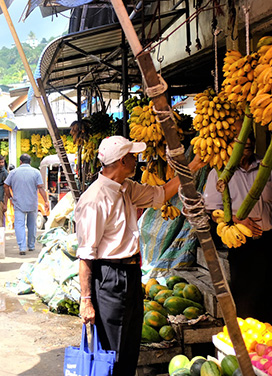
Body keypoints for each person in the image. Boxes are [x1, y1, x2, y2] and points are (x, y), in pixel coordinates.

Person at [75, 136, 204, 376]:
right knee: (114, 350)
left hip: (131, 274)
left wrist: (194, 165)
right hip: (110, 278)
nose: (138, 160)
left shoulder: (126, 187)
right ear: (123, 160)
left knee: (131, 343)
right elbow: (85, 256)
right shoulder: (95, 199)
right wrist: (86, 301)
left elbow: (162, 193)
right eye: (133, 156)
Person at [203, 135, 272, 324]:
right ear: (230, 142)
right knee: (248, 303)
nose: (248, 142)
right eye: (240, 138)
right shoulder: (220, 171)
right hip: (244, 247)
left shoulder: (268, 165)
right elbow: (212, 210)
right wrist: (237, 220)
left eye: (251, 138)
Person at [4, 154, 50, 255]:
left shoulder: (13, 173)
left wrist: (10, 197)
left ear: (20, 162)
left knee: (19, 225)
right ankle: (31, 245)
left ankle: (22, 247)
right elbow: (40, 188)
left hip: (18, 203)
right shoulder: (36, 172)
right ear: (30, 162)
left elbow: (6, 185)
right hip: (32, 203)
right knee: (32, 225)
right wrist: (46, 201)